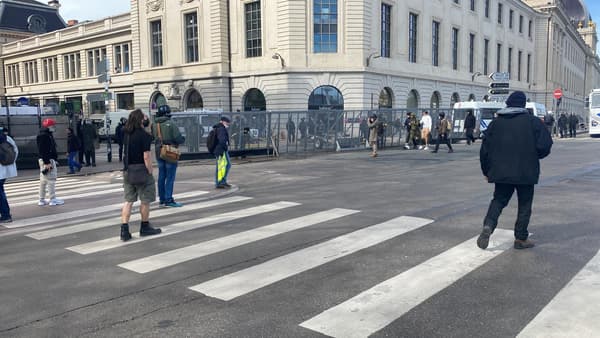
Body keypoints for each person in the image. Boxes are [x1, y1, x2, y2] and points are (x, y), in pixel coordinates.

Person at [477, 91, 553, 250]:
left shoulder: (495, 123)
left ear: (508, 104)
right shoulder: (533, 122)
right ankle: (520, 238)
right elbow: (545, 145)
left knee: (498, 200)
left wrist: (486, 171)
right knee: (524, 204)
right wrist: (534, 155)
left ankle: (489, 226)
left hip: (501, 171)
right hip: (526, 171)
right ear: (523, 104)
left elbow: (484, 150)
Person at [120, 109, 161, 241]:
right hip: (142, 171)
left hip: (128, 171)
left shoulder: (126, 134)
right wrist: (150, 170)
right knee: (145, 200)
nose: (146, 119)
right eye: (144, 117)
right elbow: (146, 156)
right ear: (141, 120)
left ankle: (124, 230)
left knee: (128, 201)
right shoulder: (145, 136)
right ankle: (144, 227)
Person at [152, 105, 185, 207]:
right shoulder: (171, 123)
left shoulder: (154, 124)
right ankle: (168, 199)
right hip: (170, 151)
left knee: (162, 176)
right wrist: (182, 139)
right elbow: (178, 138)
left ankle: (162, 199)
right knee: (170, 176)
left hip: (158, 151)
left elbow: (153, 137)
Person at [36, 118, 64, 206]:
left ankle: (41, 199)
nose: (54, 127)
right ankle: (52, 199)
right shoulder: (45, 136)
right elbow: (44, 150)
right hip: (48, 160)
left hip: (45, 159)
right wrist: (47, 162)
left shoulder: (44, 134)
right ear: (49, 126)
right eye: (53, 125)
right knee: (51, 179)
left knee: (43, 181)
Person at [0, 125, 18, 223]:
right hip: (6, 170)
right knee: (1, 191)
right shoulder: (7, 138)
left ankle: (6, 215)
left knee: (0, 193)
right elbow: (15, 151)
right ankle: (5, 214)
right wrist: (9, 164)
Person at [213, 116, 232, 188]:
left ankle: (222, 181)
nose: (228, 124)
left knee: (223, 166)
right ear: (223, 121)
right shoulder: (221, 128)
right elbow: (222, 140)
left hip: (221, 150)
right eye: (227, 122)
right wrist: (225, 147)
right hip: (221, 150)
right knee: (224, 166)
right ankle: (219, 182)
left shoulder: (219, 127)